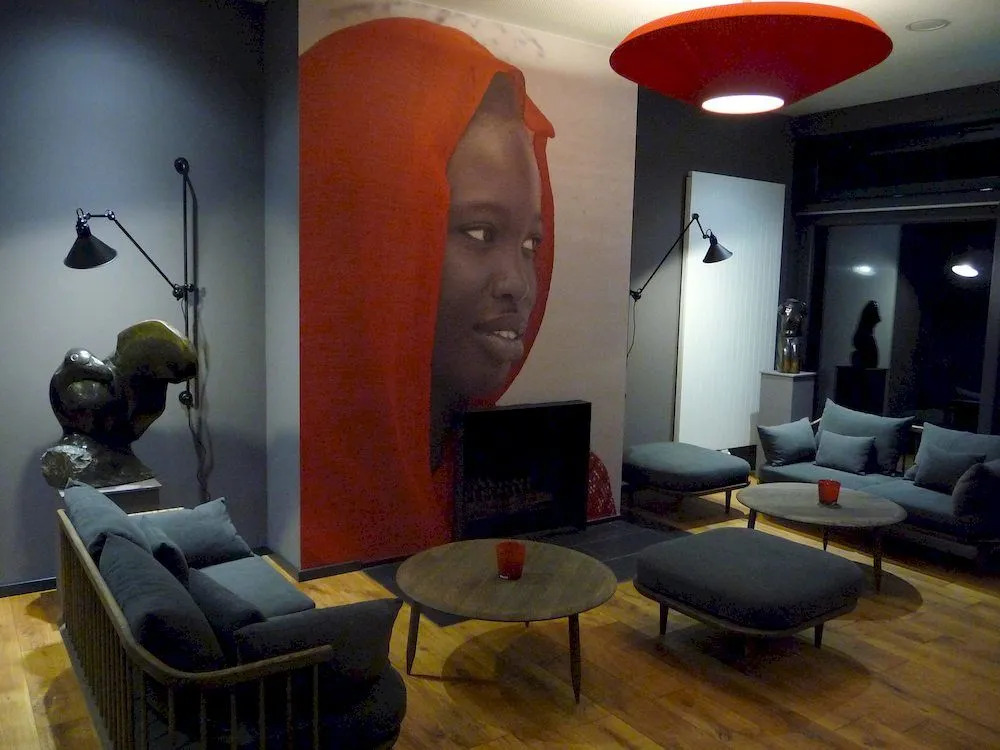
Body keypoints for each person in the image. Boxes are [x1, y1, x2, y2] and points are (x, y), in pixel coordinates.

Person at [298, 18, 558, 567]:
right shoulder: (301, 515)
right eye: (480, 233)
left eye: (530, 242)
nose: (518, 284)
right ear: (361, 241)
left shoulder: (527, 482)